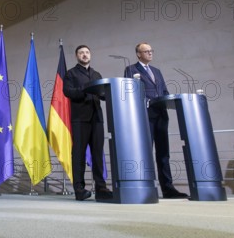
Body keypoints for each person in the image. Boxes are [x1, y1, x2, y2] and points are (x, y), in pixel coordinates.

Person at [124, 42, 189, 199]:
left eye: (151, 51)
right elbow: (130, 90)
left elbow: (164, 91)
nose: (150, 53)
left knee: (163, 153)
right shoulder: (131, 69)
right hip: (145, 116)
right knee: (145, 152)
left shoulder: (156, 71)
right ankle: (146, 186)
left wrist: (168, 99)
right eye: (146, 51)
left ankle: (168, 189)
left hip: (161, 115)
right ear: (138, 54)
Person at [63, 45, 112, 201]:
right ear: (77, 56)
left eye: (87, 52)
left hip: (97, 118)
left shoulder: (96, 74)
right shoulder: (71, 73)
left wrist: (109, 92)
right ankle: (79, 189)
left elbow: (104, 94)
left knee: (98, 154)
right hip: (80, 119)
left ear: (90, 55)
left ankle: (101, 188)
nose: (85, 55)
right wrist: (86, 88)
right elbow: (68, 92)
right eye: (81, 53)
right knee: (78, 154)